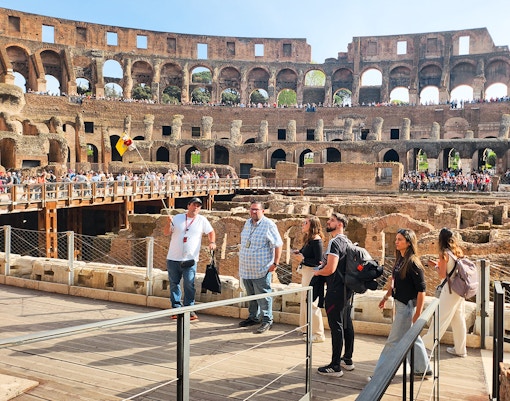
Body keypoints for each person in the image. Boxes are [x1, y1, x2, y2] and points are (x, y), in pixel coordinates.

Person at [370, 228, 431, 381]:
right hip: (400, 304)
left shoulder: (413, 263)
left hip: (407, 308)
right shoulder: (400, 260)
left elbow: (422, 290)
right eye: (396, 239)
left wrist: (418, 315)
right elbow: (394, 282)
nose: (396, 242)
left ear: (409, 243)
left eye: (400, 240)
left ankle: (381, 375)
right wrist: (386, 297)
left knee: (393, 341)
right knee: (411, 338)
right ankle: (422, 369)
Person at [313, 213, 355, 377]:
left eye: (331, 220)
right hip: (347, 290)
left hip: (335, 289)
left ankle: (335, 365)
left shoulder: (334, 242)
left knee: (336, 326)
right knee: (346, 324)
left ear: (339, 224)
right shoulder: (348, 242)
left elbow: (330, 269)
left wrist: (318, 272)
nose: (328, 222)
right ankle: (347, 360)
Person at [164, 197, 216, 321]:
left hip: (190, 259)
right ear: (188, 206)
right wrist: (168, 222)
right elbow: (166, 232)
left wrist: (212, 242)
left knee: (189, 283)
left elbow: (211, 232)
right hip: (173, 258)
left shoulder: (202, 220)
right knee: (174, 284)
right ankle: (176, 309)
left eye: (198, 206)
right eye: (194, 205)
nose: (196, 208)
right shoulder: (177, 218)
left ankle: (189, 309)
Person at [238, 201, 283, 334]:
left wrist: (275, 263)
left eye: (256, 210)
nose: (253, 212)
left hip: (261, 269)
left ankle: (267, 320)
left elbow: (278, 244)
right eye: (252, 209)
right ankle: (253, 317)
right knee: (250, 295)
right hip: (246, 269)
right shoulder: (247, 223)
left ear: (263, 211)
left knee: (264, 295)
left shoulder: (269, 225)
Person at [422, 227, 467, 357]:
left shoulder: (444, 253)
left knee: (440, 317)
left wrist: (436, 265)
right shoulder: (457, 251)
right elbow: (452, 267)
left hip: (450, 289)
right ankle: (460, 349)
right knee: (458, 319)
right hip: (460, 289)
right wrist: (439, 264)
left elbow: (442, 275)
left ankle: (426, 345)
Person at [294, 216, 326, 343]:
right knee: (304, 299)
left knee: (312, 302)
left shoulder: (316, 241)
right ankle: (306, 328)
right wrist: (299, 253)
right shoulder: (309, 239)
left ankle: (318, 334)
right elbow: (305, 253)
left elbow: (318, 261)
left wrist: (302, 259)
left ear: (312, 225)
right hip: (306, 272)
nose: (302, 224)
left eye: (305, 223)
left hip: (312, 273)